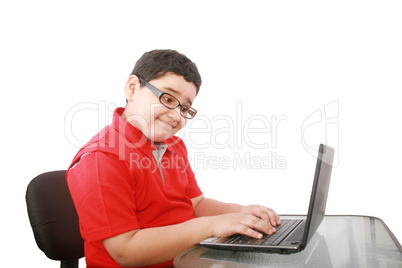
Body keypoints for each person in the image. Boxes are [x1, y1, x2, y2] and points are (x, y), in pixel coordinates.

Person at [66, 49, 281, 268]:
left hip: (188, 260)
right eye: (167, 98)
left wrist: (238, 212)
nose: (176, 115)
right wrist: (213, 226)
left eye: (185, 108)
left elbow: (196, 204)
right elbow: (125, 250)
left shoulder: (175, 146)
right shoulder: (101, 158)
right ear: (132, 88)